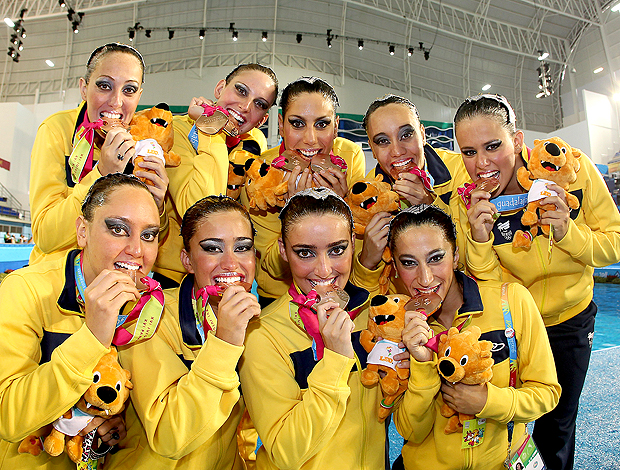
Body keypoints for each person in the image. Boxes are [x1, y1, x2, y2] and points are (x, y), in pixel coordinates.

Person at [453, 94, 620, 470]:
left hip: (570, 321)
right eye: (468, 152)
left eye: (493, 146)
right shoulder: (466, 201)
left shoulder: (570, 169)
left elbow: (615, 245)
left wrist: (567, 232)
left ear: (517, 140)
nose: (481, 163)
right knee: (500, 428)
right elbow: (486, 284)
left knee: (556, 425)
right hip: (514, 329)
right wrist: (479, 242)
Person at [0, 173, 162, 469]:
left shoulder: (149, 307)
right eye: (118, 229)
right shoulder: (25, 290)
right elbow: (8, 418)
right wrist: (91, 337)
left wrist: (112, 423)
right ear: (82, 231)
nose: (137, 250)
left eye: (148, 235)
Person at [382, 205, 560, 469]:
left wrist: (489, 401)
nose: (425, 277)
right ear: (395, 266)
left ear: (455, 256)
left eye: (435, 258)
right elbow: (411, 432)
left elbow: (547, 393)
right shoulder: (396, 327)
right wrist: (422, 366)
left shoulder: (511, 301)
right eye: (409, 263)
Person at [239, 188, 385, 470]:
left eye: (337, 250)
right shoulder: (261, 335)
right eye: (305, 253)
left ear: (354, 245)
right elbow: (285, 451)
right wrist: (337, 360)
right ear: (283, 250)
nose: (324, 270)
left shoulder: (373, 315)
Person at [116, 195, 260, 469]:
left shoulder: (257, 323)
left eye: (242, 248)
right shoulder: (148, 317)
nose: (231, 263)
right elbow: (169, 437)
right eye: (212, 249)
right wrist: (225, 344)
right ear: (188, 260)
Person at [29, 43, 168, 265]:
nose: (116, 101)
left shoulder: (144, 143)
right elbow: (45, 236)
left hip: (119, 277)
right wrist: (102, 173)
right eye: (104, 85)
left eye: (129, 90)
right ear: (84, 88)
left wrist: (158, 207)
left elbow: (150, 244)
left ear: (139, 95)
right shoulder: (57, 129)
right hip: (58, 280)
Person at [242, 77, 366, 304]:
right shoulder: (260, 175)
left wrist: (342, 203)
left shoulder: (350, 157)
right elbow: (272, 266)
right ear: (281, 124)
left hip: (337, 290)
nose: (310, 139)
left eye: (322, 124)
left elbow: (356, 245)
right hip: (278, 299)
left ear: (336, 126)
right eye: (297, 124)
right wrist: (292, 212)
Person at [153, 63, 278, 287]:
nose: (246, 106)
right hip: (174, 278)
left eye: (259, 104)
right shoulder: (174, 131)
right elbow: (199, 210)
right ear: (220, 88)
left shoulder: (253, 143)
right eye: (241, 90)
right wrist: (210, 127)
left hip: (230, 275)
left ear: (261, 120)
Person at [354, 94, 468, 282]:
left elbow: (474, 256)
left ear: (422, 134)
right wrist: (367, 261)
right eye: (383, 141)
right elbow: (364, 288)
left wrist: (431, 205)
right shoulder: (364, 198)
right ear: (372, 150)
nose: (397, 151)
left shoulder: (461, 171)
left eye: (406, 135)